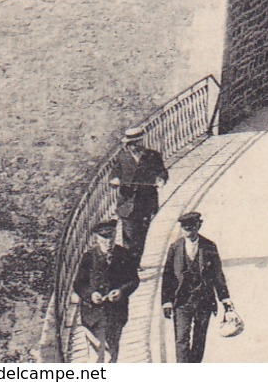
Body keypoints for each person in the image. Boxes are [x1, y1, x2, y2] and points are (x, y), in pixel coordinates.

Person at [159, 212, 232, 364]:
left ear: (199, 226)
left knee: (199, 339)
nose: (189, 233)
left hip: (203, 300)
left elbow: (218, 275)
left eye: (192, 229)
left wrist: (225, 300)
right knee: (181, 339)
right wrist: (166, 301)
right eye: (185, 229)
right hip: (182, 301)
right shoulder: (174, 248)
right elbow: (168, 276)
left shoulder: (209, 246)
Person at [73, 220, 138, 363]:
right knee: (98, 354)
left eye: (111, 236)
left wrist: (121, 291)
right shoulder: (88, 257)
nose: (108, 241)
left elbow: (133, 280)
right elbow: (78, 284)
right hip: (93, 314)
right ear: (97, 238)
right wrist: (91, 294)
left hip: (116, 312)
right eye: (104, 238)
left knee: (112, 352)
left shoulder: (123, 255)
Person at [111, 126, 168, 254]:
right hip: (127, 203)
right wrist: (115, 180)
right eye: (131, 144)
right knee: (129, 235)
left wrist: (161, 179)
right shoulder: (121, 157)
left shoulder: (153, 156)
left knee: (141, 236)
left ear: (141, 142)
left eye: (136, 143)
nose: (134, 147)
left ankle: (135, 262)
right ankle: (129, 264)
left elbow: (162, 172)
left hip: (146, 203)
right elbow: (115, 173)